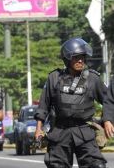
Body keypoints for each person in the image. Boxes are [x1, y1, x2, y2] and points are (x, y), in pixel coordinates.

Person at [34, 37, 113, 168]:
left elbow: (109, 101)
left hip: (84, 131)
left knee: (97, 165)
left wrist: (107, 120)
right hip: (60, 132)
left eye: (82, 57)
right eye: (76, 57)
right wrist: (38, 129)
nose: (80, 60)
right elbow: (43, 106)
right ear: (67, 58)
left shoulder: (93, 79)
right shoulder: (54, 78)